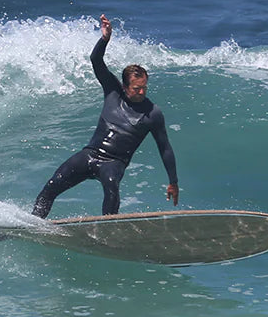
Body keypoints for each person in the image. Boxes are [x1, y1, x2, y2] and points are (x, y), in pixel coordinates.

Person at [32, 14, 179, 218]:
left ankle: (108, 227)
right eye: (137, 88)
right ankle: (34, 222)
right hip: (90, 154)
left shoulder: (152, 113)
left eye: (145, 88)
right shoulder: (112, 91)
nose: (142, 92)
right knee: (51, 186)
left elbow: (165, 148)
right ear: (125, 86)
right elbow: (96, 60)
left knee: (111, 188)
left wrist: (173, 181)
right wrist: (105, 39)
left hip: (114, 162)